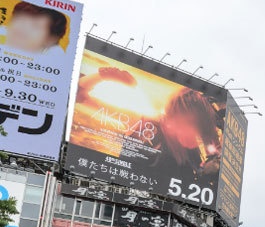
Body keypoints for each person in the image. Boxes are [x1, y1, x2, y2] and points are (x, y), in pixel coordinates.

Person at [74, 69, 222, 192]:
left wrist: (206, 172)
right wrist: (105, 75)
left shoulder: (192, 152)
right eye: (191, 124)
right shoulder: (146, 124)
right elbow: (80, 94)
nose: (194, 133)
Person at [1, 0, 69, 57]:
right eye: (22, 20)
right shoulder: (2, 32)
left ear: (50, 39)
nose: (23, 27)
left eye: (35, 26)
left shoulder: (55, 55)